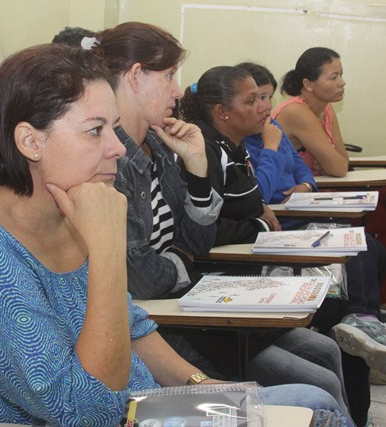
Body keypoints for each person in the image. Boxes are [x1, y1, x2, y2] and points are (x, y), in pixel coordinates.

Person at [0, 43, 353, 427]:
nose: (116, 147)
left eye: (113, 128)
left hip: (141, 408)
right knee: (313, 406)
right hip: (111, 417)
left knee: (312, 401)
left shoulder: (68, 211)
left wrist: (200, 384)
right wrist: (108, 247)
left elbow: (134, 328)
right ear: (30, 141)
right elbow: (87, 409)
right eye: (95, 130)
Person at [90, 21, 354, 418]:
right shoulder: (112, 162)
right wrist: (184, 262)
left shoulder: (159, 147)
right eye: (168, 77)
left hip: (180, 307)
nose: (177, 91)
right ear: (135, 76)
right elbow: (143, 276)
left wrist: (196, 169)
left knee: (323, 351)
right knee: (319, 393)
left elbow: (196, 241)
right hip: (164, 324)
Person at [178, 64, 386, 426]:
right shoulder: (209, 151)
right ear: (222, 112)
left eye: (266, 97)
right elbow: (216, 224)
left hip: (253, 261)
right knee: (327, 347)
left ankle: (360, 364)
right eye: (255, 99)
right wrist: (260, 215)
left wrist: (302, 186)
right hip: (225, 287)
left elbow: (301, 173)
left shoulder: (240, 144)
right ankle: (358, 325)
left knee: (365, 259)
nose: (265, 107)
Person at [272, 48, 386, 328]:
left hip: (323, 195)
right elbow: (337, 167)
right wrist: (330, 161)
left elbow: (341, 160)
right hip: (298, 202)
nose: (342, 82)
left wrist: (331, 160)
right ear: (308, 84)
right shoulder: (296, 110)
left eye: (341, 75)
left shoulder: (326, 110)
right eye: (333, 77)